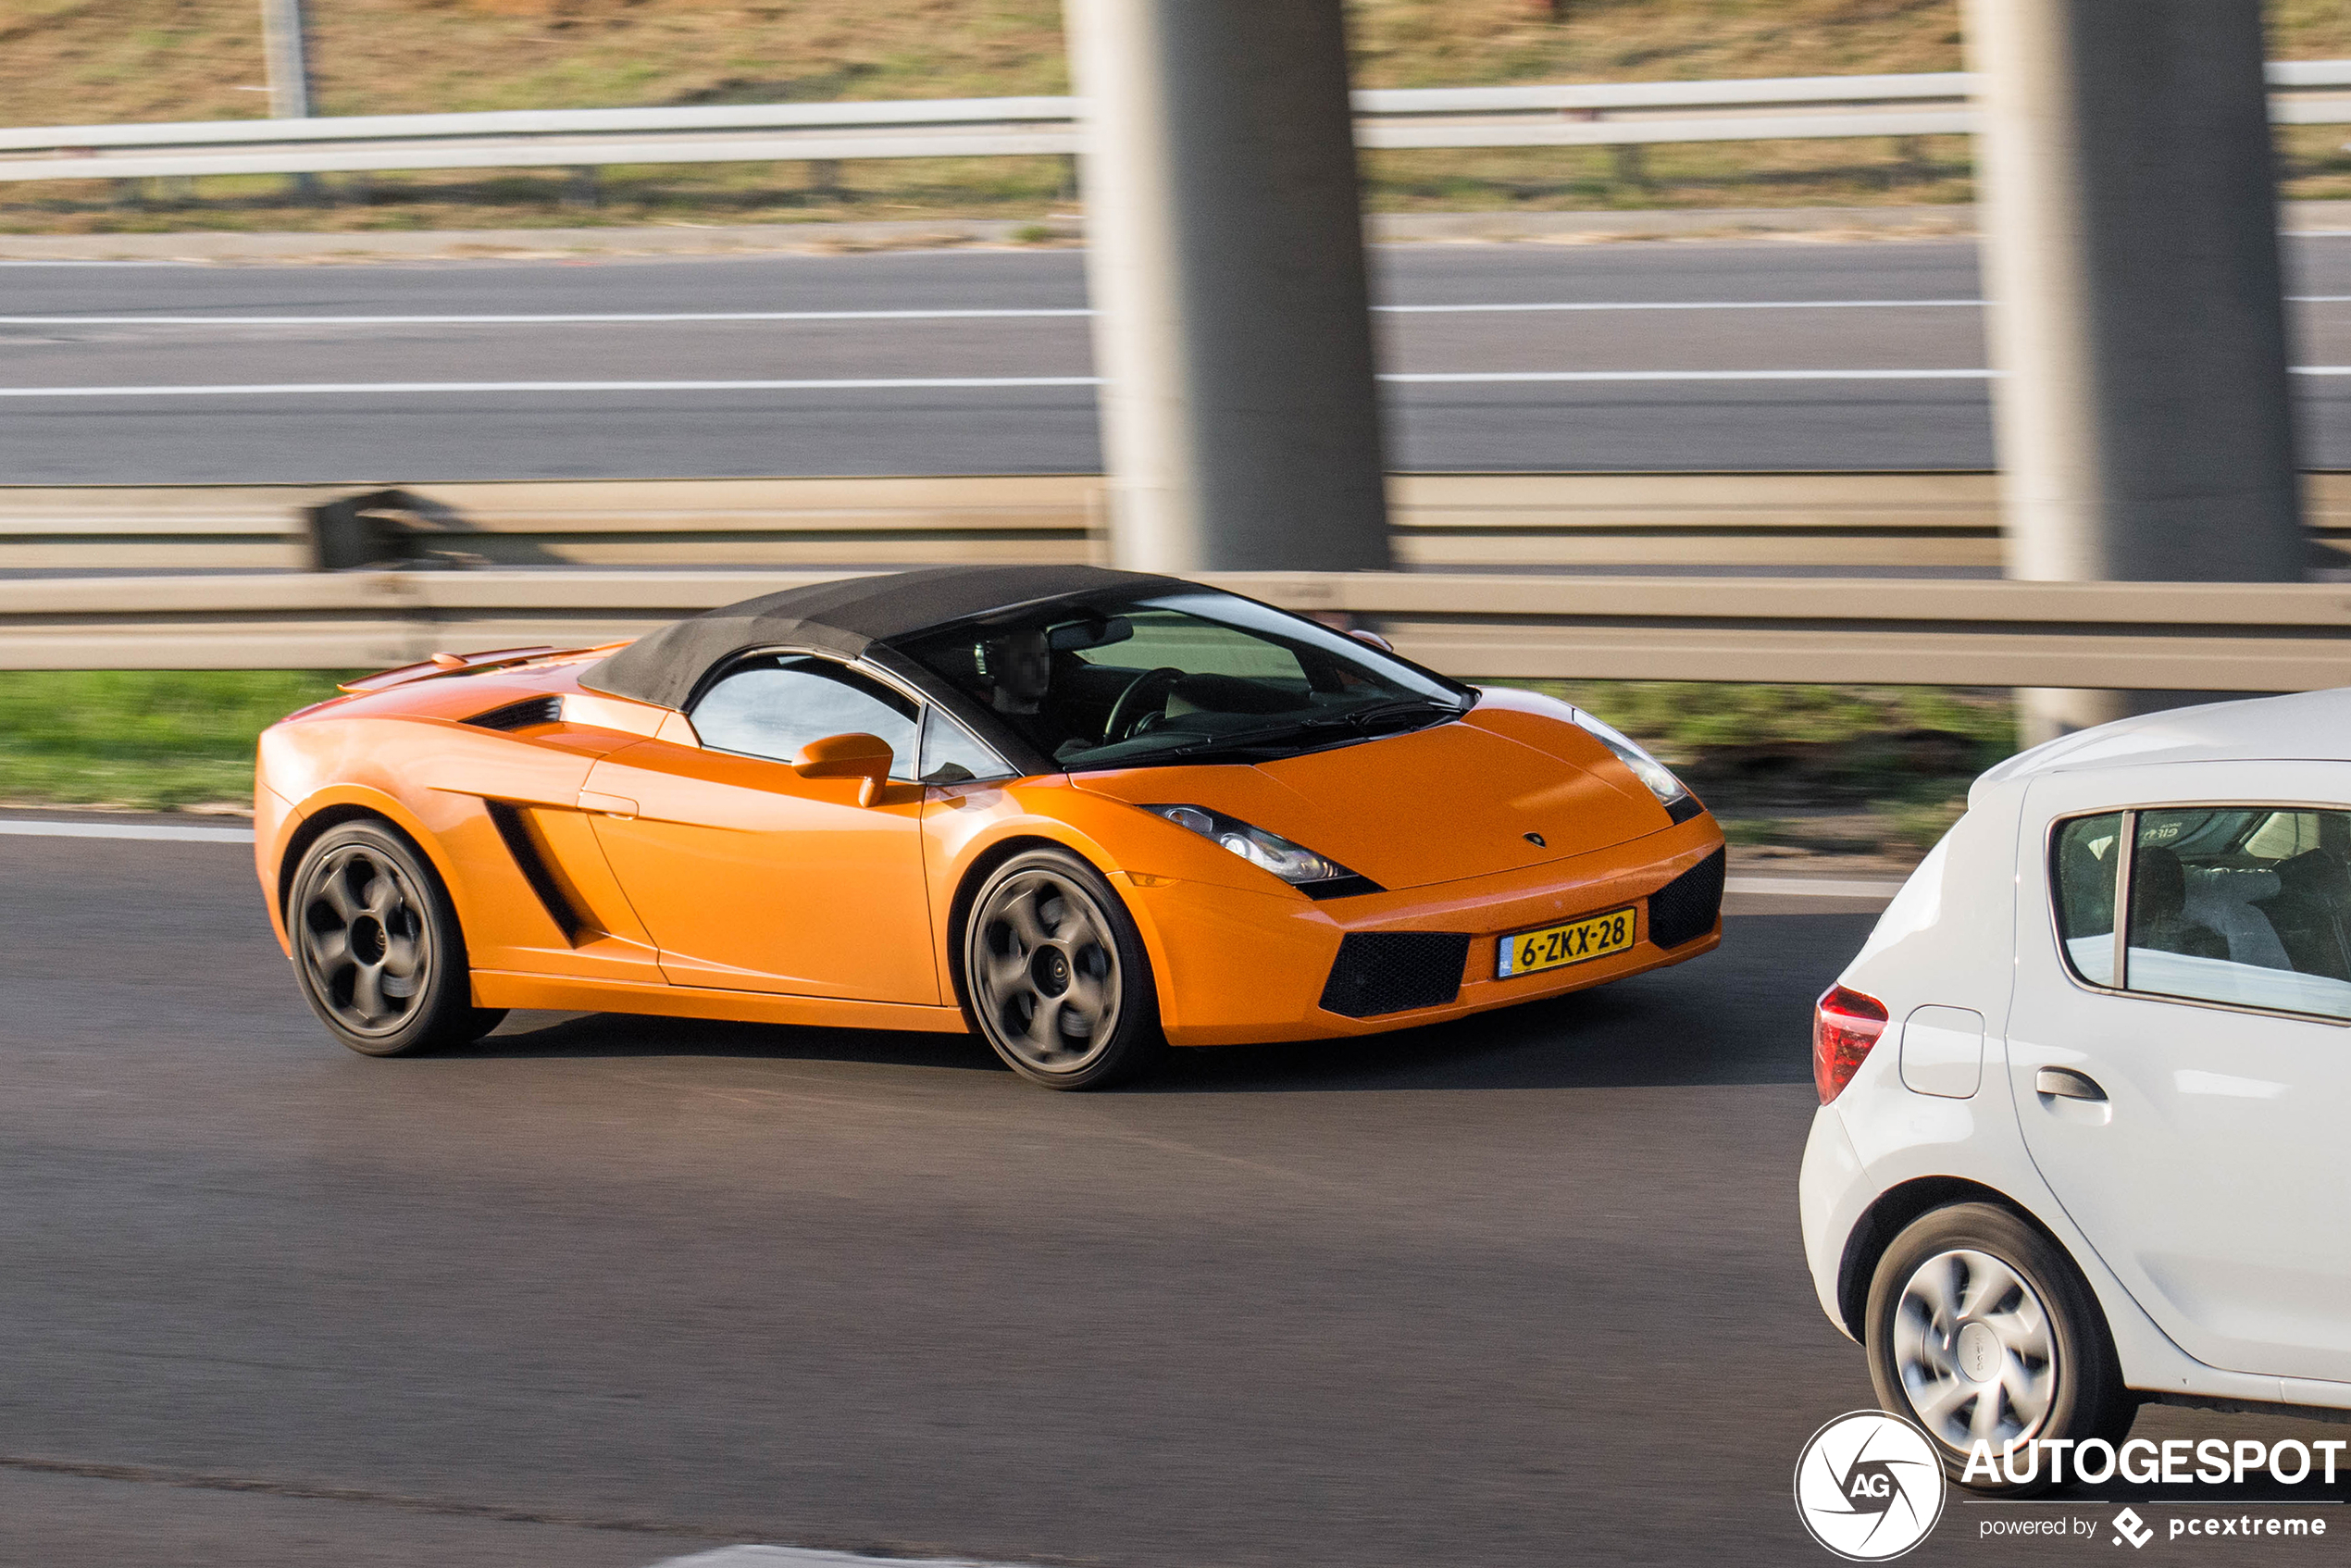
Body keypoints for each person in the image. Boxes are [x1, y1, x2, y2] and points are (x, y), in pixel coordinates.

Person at [979, 627, 1052, 716]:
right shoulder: (973, 722)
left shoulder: (1056, 724)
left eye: (1043, 657)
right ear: (996, 664)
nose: (1040, 667)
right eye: (1027, 658)